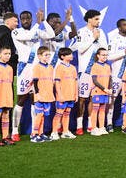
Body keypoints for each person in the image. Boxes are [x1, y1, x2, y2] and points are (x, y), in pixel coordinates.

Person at [11, 9, 54, 141]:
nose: (26, 21)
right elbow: (29, 36)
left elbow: (51, 34)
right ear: (19, 20)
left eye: (28, 18)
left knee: (36, 101)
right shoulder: (16, 31)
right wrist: (37, 23)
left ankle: (35, 132)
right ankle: (14, 131)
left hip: (36, 68)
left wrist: (44, 21)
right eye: (23, 18)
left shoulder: (37, 30)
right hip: (24, 68)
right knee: (21, 100)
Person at [75, 9, 107, 135]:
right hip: (84, 71)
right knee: (82, 98)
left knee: (94, 98)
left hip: (97, 70)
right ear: (89, 19)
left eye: (99, 19)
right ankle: (78, 125)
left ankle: (90, 125)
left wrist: (98, 38)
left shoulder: (101, 32)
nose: (98, 21)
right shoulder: (81, 32)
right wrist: (93, 38)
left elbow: (104, 48)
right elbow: (81, 49)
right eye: (96, 19)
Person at [107, 18, 126, 132]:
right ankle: (109, 123)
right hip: (117, 75)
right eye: (124, 25)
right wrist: (123, 52)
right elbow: (109, 57)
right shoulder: (113, 40)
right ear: (119, 27)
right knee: (112, 100)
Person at [51, 47, 78, 140]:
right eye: (69, 54)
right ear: (62, 56)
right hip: (62, 96)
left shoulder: (73, 68)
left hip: (71, 95)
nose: (71, 55)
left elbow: (75, 82)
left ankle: (65, 131)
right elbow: (57, 82)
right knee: (59, 113)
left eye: (71, 54)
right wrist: (60, 95)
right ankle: (54, 132)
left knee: (67, 113)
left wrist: (76, 94)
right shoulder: (59, 67)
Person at [31, 46, 55, 143]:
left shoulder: (50, 67)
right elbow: (35, 81)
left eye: (49, 54)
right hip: (40, 95)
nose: (48, 56)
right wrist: (37, 93)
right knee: (39, 115)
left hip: (48, 95)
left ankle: (41, 134)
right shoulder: (37, 67)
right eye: (45, 55)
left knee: (45, 115)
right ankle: (34, 134)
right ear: (39, 56)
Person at [89, 47, 111, 136]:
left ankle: (101, 127)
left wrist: (109, 88)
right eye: (103, 55)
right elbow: (95, 80)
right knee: (95, 110)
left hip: (105, 92)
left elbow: (110, 79)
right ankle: (94, 128)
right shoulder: (95, 66)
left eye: (106, 55)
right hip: (97, 91)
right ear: (98, 56)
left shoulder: (107, 66)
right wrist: (104, 88)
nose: (105, 56)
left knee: (102, 110)